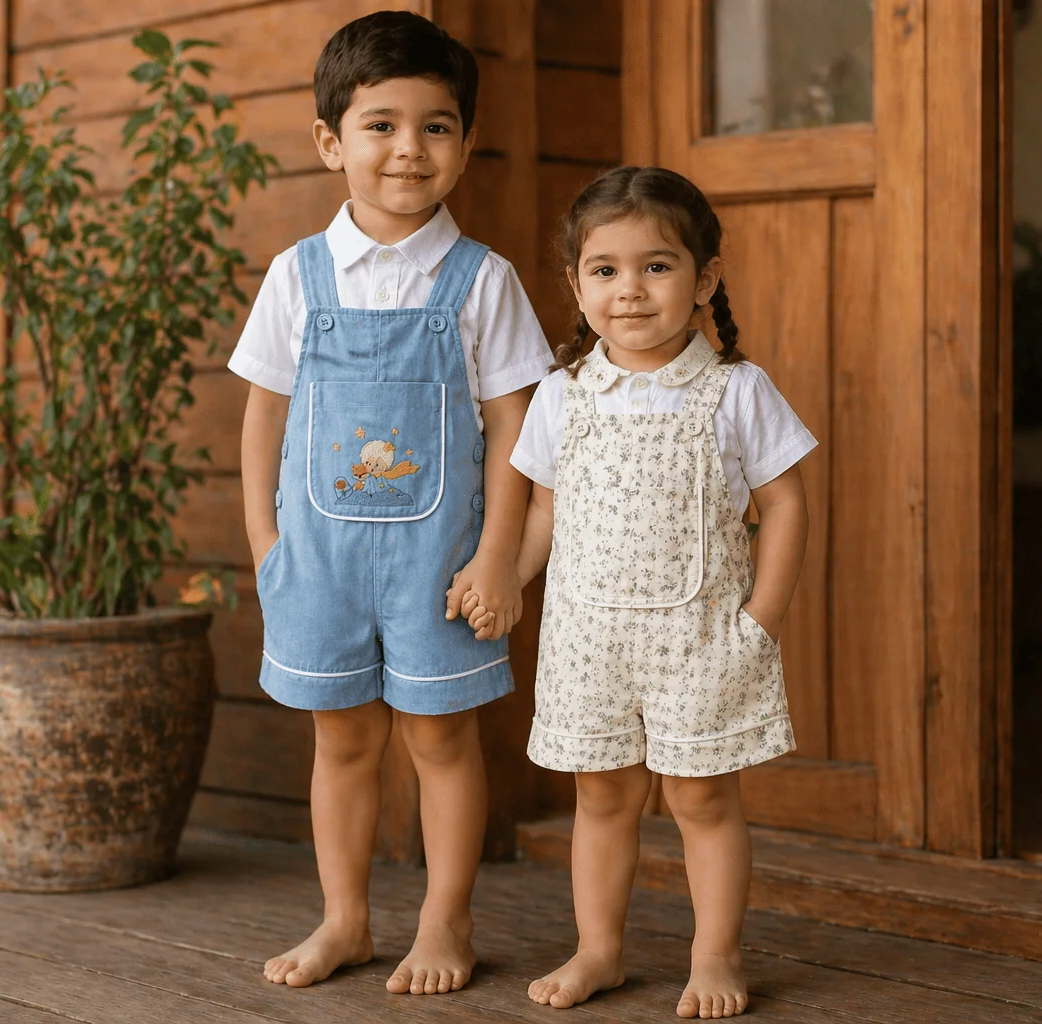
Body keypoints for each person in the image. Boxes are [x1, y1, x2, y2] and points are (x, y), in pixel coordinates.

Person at [230, 10, 546, 996]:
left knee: (441, 737)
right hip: (317, 560)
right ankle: (346, 920)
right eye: (380, 124)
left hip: (439, 565)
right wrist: (265, 545)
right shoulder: (298, 275)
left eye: (437, 125)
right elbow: (261, 420)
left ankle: (444, 923)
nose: (409, 148)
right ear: (332, 140)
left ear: (465, 139)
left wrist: (498, 556)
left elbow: (516, 431)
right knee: (343, 737)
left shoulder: (482, 281)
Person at [456, 166, 814, 1019]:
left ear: (705, 278)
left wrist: (761, 620)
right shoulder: (560, 395)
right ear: (575, 285)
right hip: (589, 641)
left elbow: (788, 505)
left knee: (701, 797)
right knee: (603, 795)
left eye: (657, 266)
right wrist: (507, 572)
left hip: (703, 640)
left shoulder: (736, 389)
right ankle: (600, 950)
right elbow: (544, 513)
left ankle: (715, 953)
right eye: (605, 270)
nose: (631, 290)